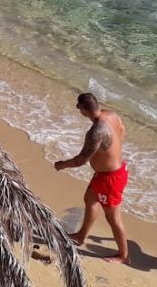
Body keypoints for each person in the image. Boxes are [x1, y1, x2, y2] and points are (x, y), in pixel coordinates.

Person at [54, 93, 130, 263]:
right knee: (90, 199)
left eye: (78, 107)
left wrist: (62, 165)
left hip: (110, 179)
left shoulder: (96, 132)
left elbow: (81, 160)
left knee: (113, 218)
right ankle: (81, 236)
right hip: (112, 171)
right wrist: (112, 153)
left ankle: (123, 255)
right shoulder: (111, 115)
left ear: (83, 109)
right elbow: (122, 130)